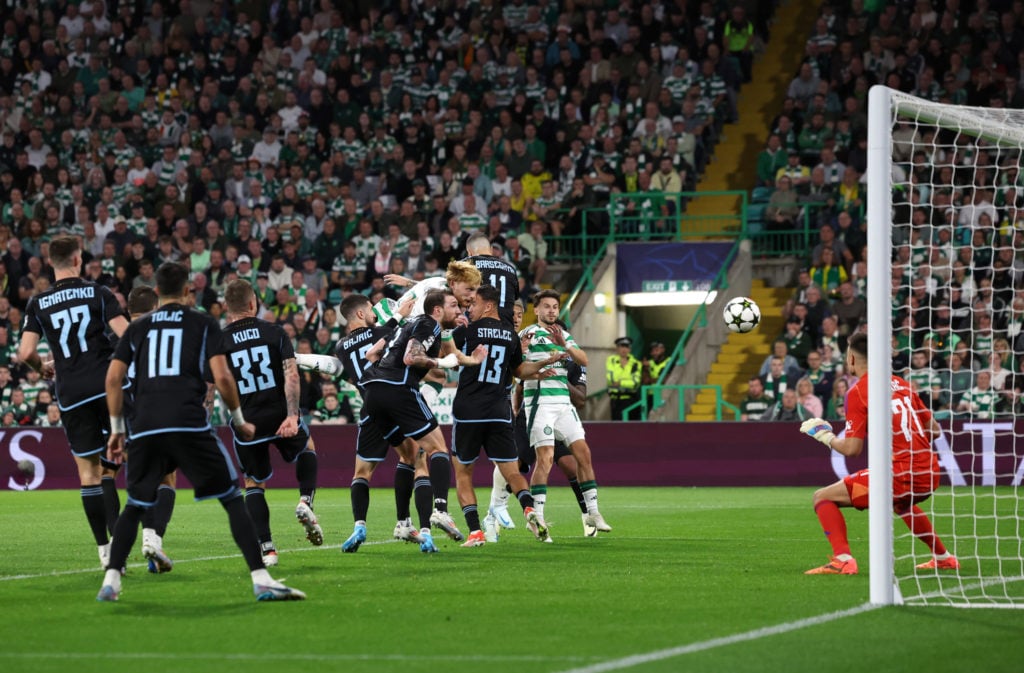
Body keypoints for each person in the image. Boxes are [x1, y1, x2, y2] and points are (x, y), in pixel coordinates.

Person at [99, 261, 304, 601]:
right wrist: (238, 418)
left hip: (146, 425)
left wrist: (118, 429)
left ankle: (111, 580)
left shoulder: (137, 329)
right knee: (231, 499)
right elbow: (222, 377)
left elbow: (113, 379)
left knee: (135, 502)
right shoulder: (203, 323)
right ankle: (261, 578)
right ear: (186, 291)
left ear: (158, 292)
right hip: (188, 422)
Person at [799, 332, 959, 574]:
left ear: (852, 358)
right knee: (901, 503)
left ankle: (843, 560)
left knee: (822, 497)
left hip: (900, 475)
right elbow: (935, 431)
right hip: (930, 472)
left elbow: (852, 449)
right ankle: (943, 557)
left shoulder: (859, 391)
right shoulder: (903, 384)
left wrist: (824, 436)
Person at [19, 236, 129, 571]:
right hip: (107, 385)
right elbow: (126, 334)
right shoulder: (99, 293)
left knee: (89, 475)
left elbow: (25, 353)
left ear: (50, 263)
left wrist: (43, 367)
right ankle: (151, 531)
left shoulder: (38, 303)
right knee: (128, 458)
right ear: (79, 261)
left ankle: (105, 552)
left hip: (71, 393)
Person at [359, 288, 486, 552]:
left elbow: (371, 355)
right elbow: (411, 357)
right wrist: (442, 363)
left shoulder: (404, 326)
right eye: (453, 305)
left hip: (373, 393)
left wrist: (471, 361)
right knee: (438, 448)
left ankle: (404, 522)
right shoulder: (429, 324)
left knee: (407, 457)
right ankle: (440, 509)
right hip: (398, 389)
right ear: (437, 310)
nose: (458, 310)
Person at [449, 284, 565, 546]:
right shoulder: (510, 335)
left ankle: (475, 532)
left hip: (469, 410)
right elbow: (521, 371)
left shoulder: (467, 329)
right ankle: (529, 509)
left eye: (474, 304)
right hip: (500, 412)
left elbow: (443, 350)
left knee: (463, 473)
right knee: (511, 472)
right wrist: (545, 362)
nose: (470, 308)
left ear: (488, 305)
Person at [222, 279, 322, 567]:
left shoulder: (220, 341)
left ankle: (268, 549)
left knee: (254, 482)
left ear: (228, 308)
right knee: (307, 447)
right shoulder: (274, 332)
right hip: (279, 412)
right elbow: (291, 375)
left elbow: (214, 385)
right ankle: (305, 500)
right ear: (253, 303)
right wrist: (292, 416)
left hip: (247, 421)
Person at [331, 293, 428, 552]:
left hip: (369, 409)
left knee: (361, 473)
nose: (375, 312)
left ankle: (359, 526)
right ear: (360, 314)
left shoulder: (340, 347)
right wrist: (402, 315)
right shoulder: (381, 333)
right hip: (392, 404)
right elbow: (393, 338)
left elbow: (351, 376)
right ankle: (404, 521)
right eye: (371, 309)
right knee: (413, 459)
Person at [520, 290, 611, 536]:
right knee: (546, 459)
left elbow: (584, 360)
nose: (551, 311)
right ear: (536, 310)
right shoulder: (527, 335)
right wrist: (537, 369)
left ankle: (593, 513)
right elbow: (517, 370)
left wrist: (565, 347)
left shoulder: (563, 334)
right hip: (540, 404)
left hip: (563, 405)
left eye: (554, 307)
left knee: (584, 454)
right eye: (546, 306)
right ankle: (536, 518)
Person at [124, 287, 176, 574]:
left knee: (143, 483)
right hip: (159, 415)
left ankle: (127, 551)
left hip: (126, 419)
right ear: (155, 307)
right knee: (167, 479)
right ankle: (153, 541)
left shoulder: (116, 335)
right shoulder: (160, 334)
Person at [462, 232, 520, 325]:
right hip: (506, 331)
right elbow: (515, 298)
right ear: (491, 249)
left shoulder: (465, 266)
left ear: (469, 252)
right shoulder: (511, 269)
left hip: (476, 330)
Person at [606, 336, 642, 420]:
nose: (624, 349)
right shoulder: (611, 360)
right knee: (617, 427)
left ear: (630, 349)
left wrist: (620, 383)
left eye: (626, 346)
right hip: (616, 400)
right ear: (617, 348)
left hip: (631, 400)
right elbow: (611, 380)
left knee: (632, 427)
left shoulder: (636, 363)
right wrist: (627, 381)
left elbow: (635, 383)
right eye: (622, 346)